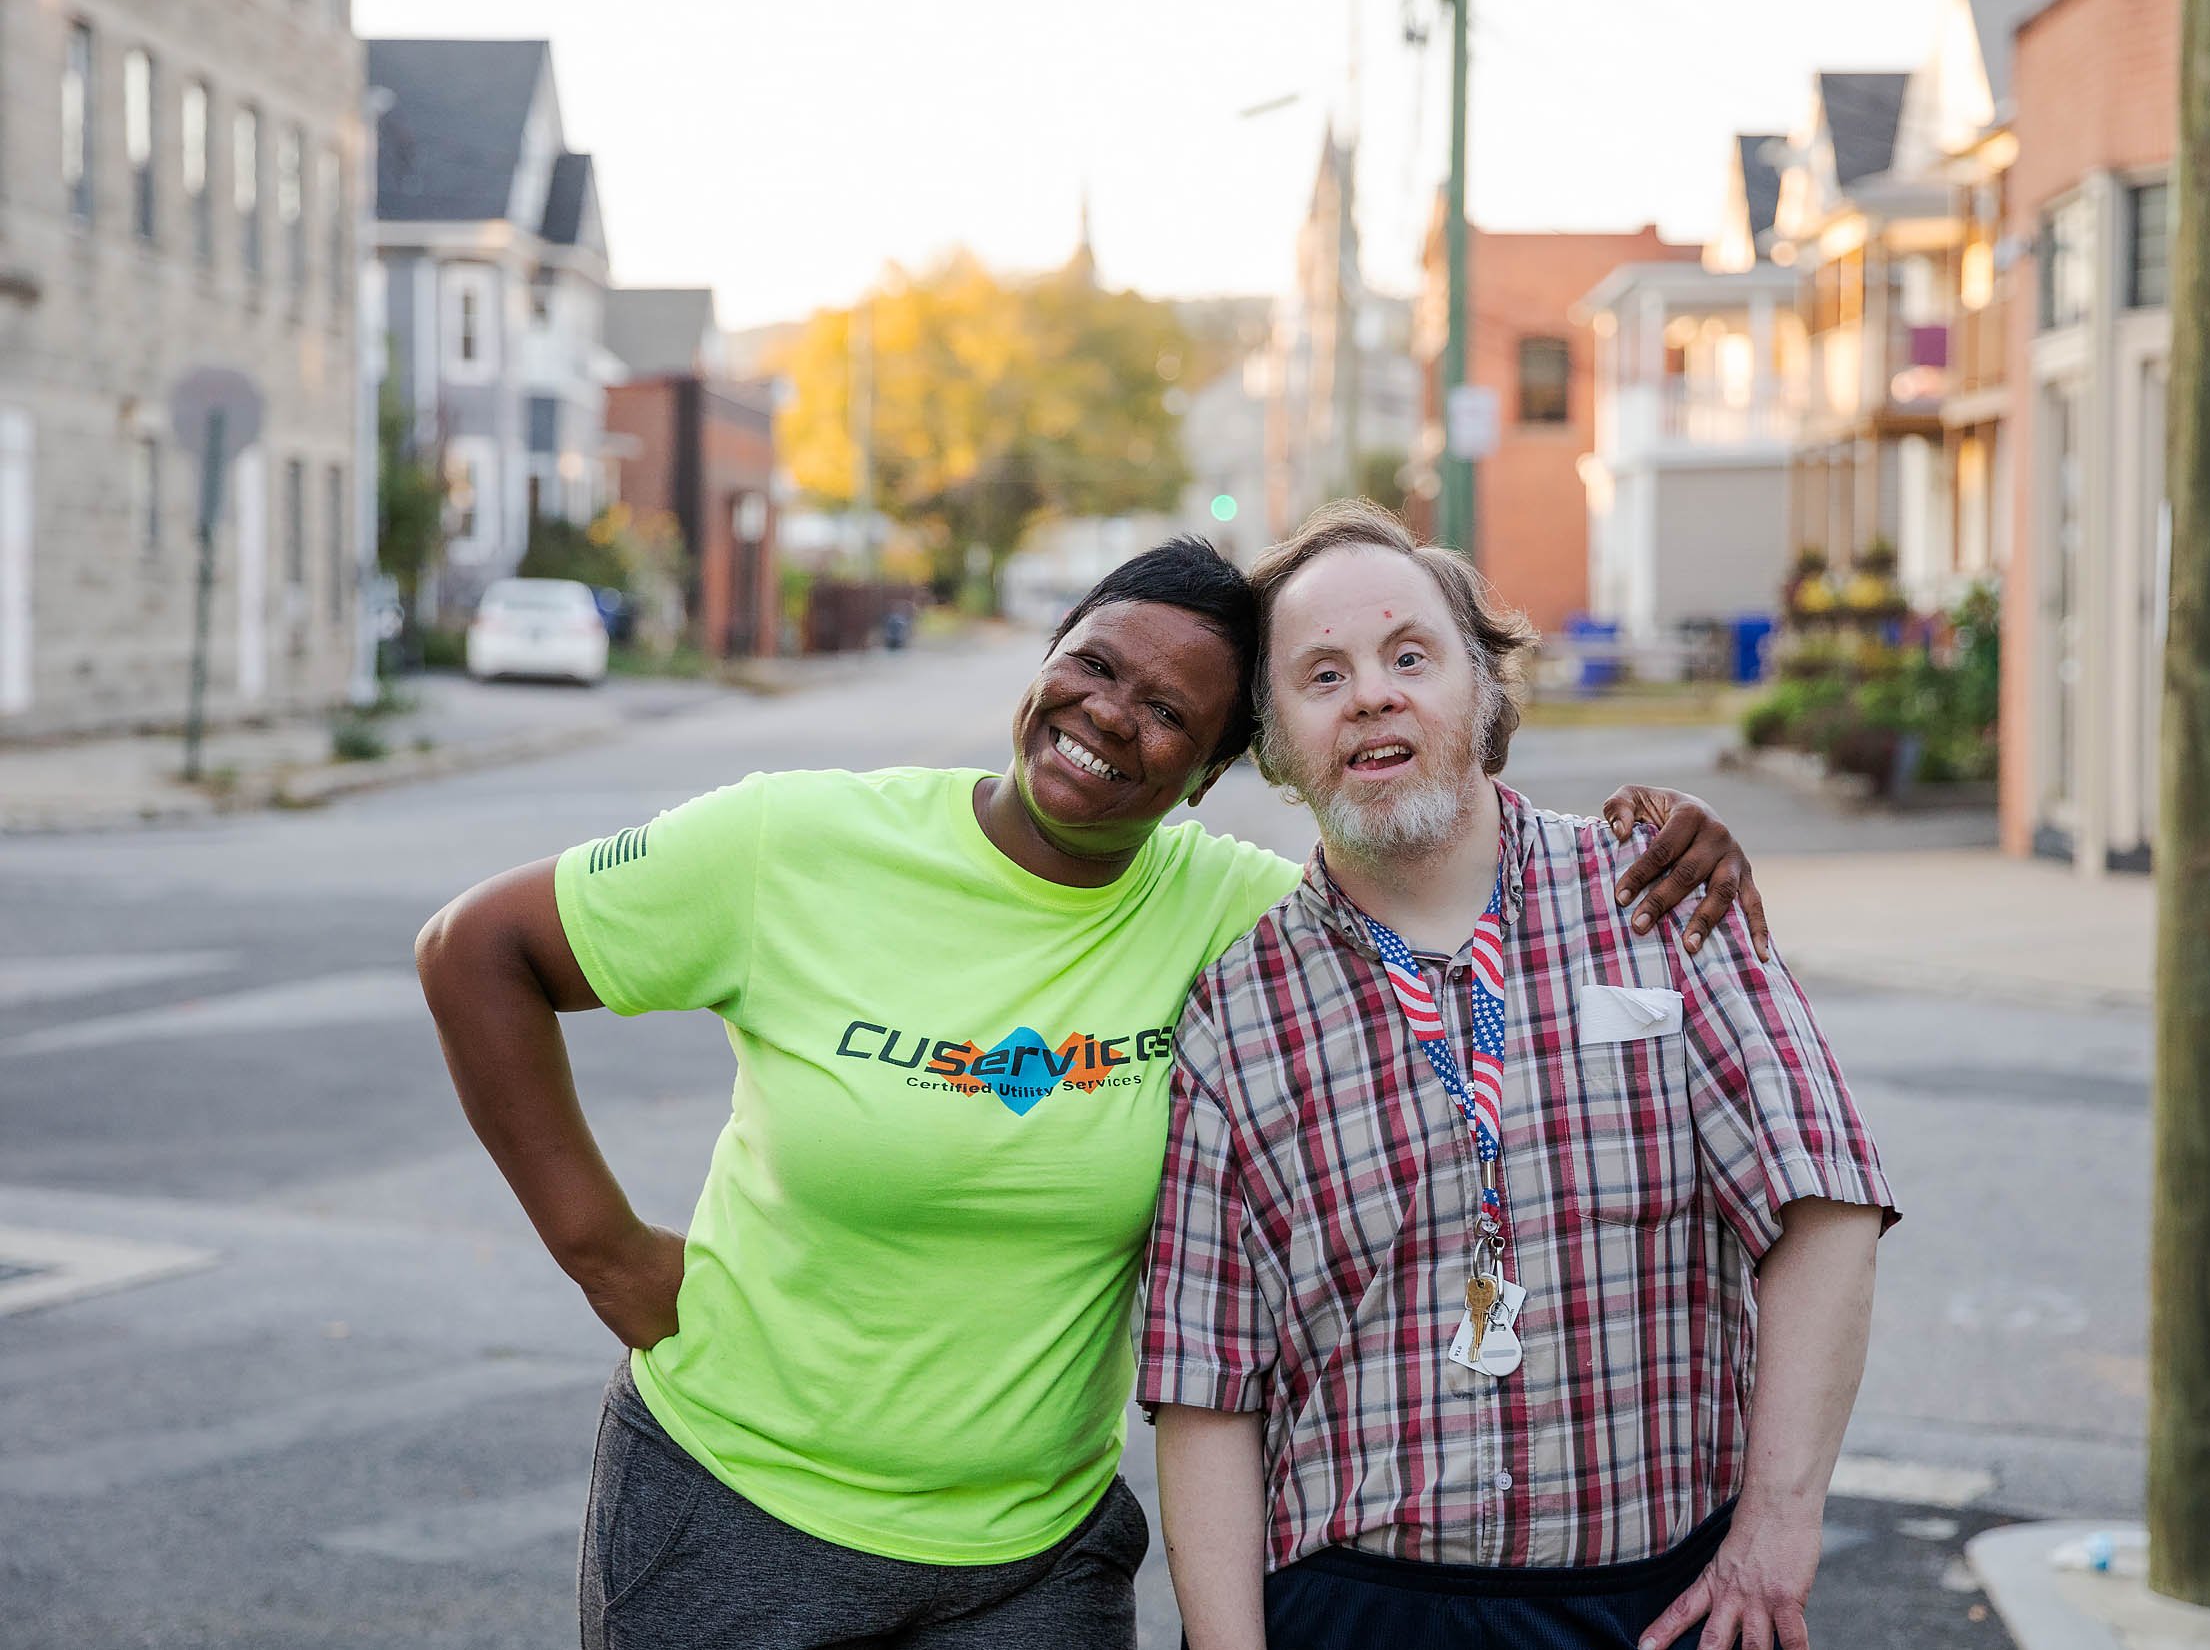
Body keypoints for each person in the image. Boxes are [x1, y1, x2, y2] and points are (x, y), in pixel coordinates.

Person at [414, 534, 1774, 1650]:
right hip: (737, 1505)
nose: (1111, 715)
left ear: (1211, 773)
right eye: (1094, 665)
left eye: (1169, 710)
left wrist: (1639, 840)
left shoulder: (1244, 917)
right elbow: (477, 947)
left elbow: (1459, 876)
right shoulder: (797, 840)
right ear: (1046, 661)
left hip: (1032, 1561)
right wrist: (603, 1247)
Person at [1142, 504, 1899, 1650]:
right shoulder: (1237, 1013)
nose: (1371, 694)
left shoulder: (1657, 899)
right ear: (1278, 745)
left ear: (1485, 693)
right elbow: (1210, 1386)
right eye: (1321, 674)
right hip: (1360, 1603)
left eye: (1410, 655)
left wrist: (1778, 1526)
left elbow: (1825, 1200)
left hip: (1665, 1595)